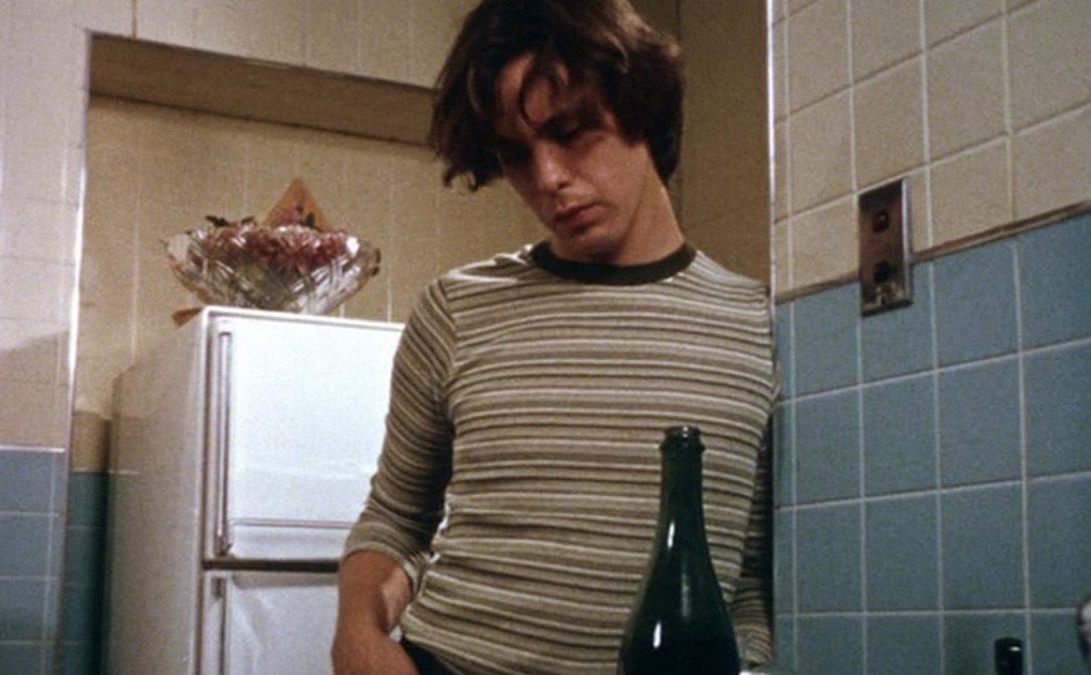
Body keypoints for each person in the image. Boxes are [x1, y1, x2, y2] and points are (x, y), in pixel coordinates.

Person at [331, 1, 779, 673]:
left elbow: (747, 576)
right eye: (516, 154)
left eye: (571, 132)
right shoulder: (456, 309)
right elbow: (395, 520)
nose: (547, 179)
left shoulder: (759, 324)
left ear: (642, 107)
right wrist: (358, 636)